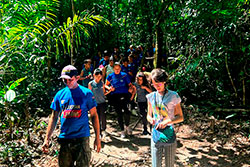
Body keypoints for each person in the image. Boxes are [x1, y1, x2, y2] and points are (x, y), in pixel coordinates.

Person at [42, 65, 101, 167]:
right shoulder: (60, 95)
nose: (68, 82)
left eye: (70, 80)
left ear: (77, 78)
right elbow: (54, 117)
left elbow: (94, 116)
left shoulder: (86, 94)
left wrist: (97, 137)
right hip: (65, 138)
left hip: (82, 138)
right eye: (65, 80)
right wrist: (47, 138)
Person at [146, 68, 184, 167]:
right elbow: (148, 115)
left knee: (169, 164)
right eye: (154, 84)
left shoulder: (173, 96)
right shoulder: (151, 96)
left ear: (164, 81)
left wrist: (167, 122)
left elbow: (180, 117)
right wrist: (151, 120)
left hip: (169, 134)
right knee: (156, 165)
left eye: (158, 83)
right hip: (156, 134)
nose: (156, 86)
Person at [105, 62, 133, 138]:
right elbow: (105, 85)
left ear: (120, 68)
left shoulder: (124, 75)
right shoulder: (110, 76)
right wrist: (109, 88)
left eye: (118, 69)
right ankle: (122, 130)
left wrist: (130, 89)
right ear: (113, 69)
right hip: (115, 96)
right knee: (119, 113)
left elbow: (130, 85)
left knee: (127, 112)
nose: (117, 70)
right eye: (115, 69)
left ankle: (127, 126)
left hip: (125, 95)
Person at [89, 68, 111, 138]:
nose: (98, 78)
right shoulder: (91, 84)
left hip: (102, 103)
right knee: (96, 118)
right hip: (95, 104)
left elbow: (104, 93)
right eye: (97, 76)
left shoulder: (102, 83)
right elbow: (89, 94)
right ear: (94, 75)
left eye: (100, 76)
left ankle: (103, 130)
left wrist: (110, 91)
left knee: (103, 117)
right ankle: (98, 132)